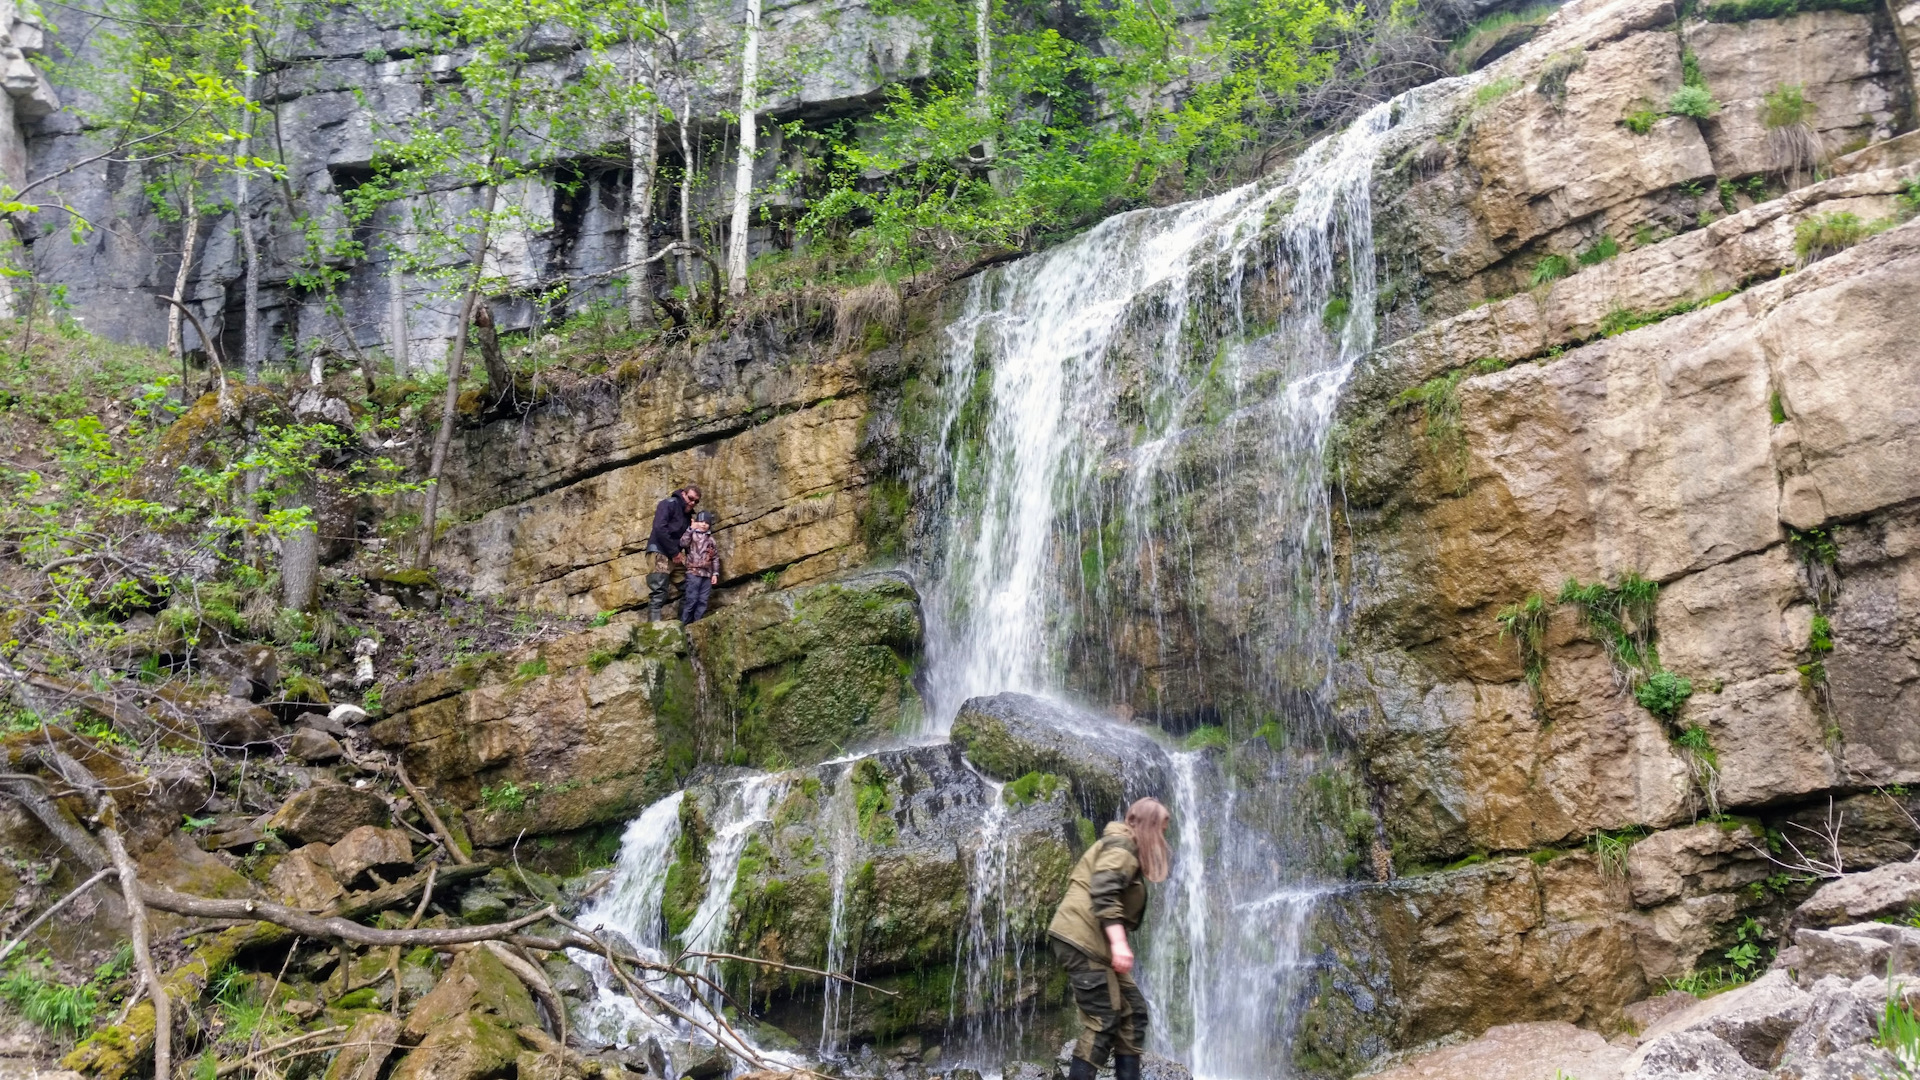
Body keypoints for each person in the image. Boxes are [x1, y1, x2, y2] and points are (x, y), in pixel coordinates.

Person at [1046, 797, 1172, 1080]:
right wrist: (1119, 943)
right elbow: (1103, 890)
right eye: (1161, 830)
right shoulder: (1122, 846)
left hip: (1093, 943)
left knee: (1133, 1012)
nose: (1163, 837)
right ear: (1149, 827)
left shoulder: (1127, 849)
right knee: (1105, 1018)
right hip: (1082, 940)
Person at [646, 485, 700, 622]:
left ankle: (682, 625)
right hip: (659, 552)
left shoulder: (687, 517)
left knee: (690, 588)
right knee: (659, 592)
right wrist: (675, 552)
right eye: (691, 498)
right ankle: (653, 629)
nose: (692, 502)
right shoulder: (668, 504)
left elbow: (685, 541)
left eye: (696, 501)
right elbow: (659, 528)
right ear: (683, 494)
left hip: (674, 556)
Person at [678, 511, 721, 624]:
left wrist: (715, 574)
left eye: (706, 522)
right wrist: (690, 529)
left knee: (703, 601)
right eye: (701, 521)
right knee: (691, 600)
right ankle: (685, 625)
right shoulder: (691, 534)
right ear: (696, 522)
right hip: (693, 573)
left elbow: (715, 558)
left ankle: (697, 625)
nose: (703, 524)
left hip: (706, 575)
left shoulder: (711, 540)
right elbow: (683, 543)